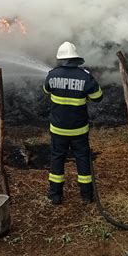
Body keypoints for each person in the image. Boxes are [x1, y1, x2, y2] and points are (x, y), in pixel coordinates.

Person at [43, 42, 103, 205]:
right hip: (78, 130)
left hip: (58, 129)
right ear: (76, 59)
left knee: (57, 159)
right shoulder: (85, 76)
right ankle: (86, 196)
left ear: (61, 59)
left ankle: (55, 195)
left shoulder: (52, 75)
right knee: (82, 159)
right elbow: (98, 97)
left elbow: (46, 90)